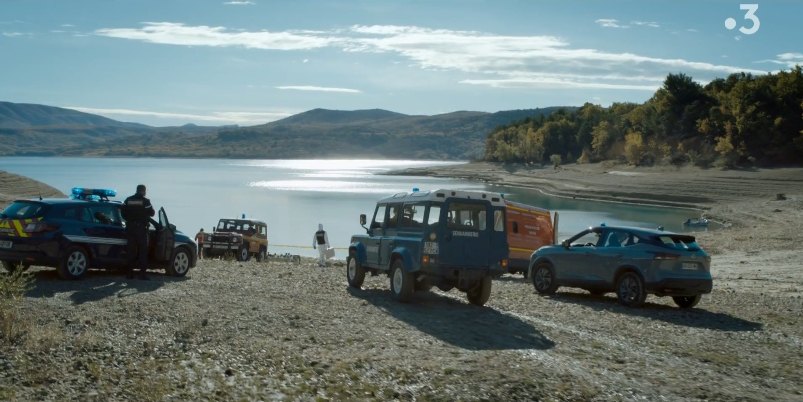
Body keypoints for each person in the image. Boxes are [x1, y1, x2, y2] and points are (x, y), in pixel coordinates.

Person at [121, 184, 155, 280]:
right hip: (141, 229)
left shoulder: (128, 199)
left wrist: (128, 219)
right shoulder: (145, 201)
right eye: (145, 191)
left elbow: (122, 211)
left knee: (131, 251)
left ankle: (129, 274)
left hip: (130, 228)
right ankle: (142, 274)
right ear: (143, 191)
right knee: (142, 251)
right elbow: (152, 213)